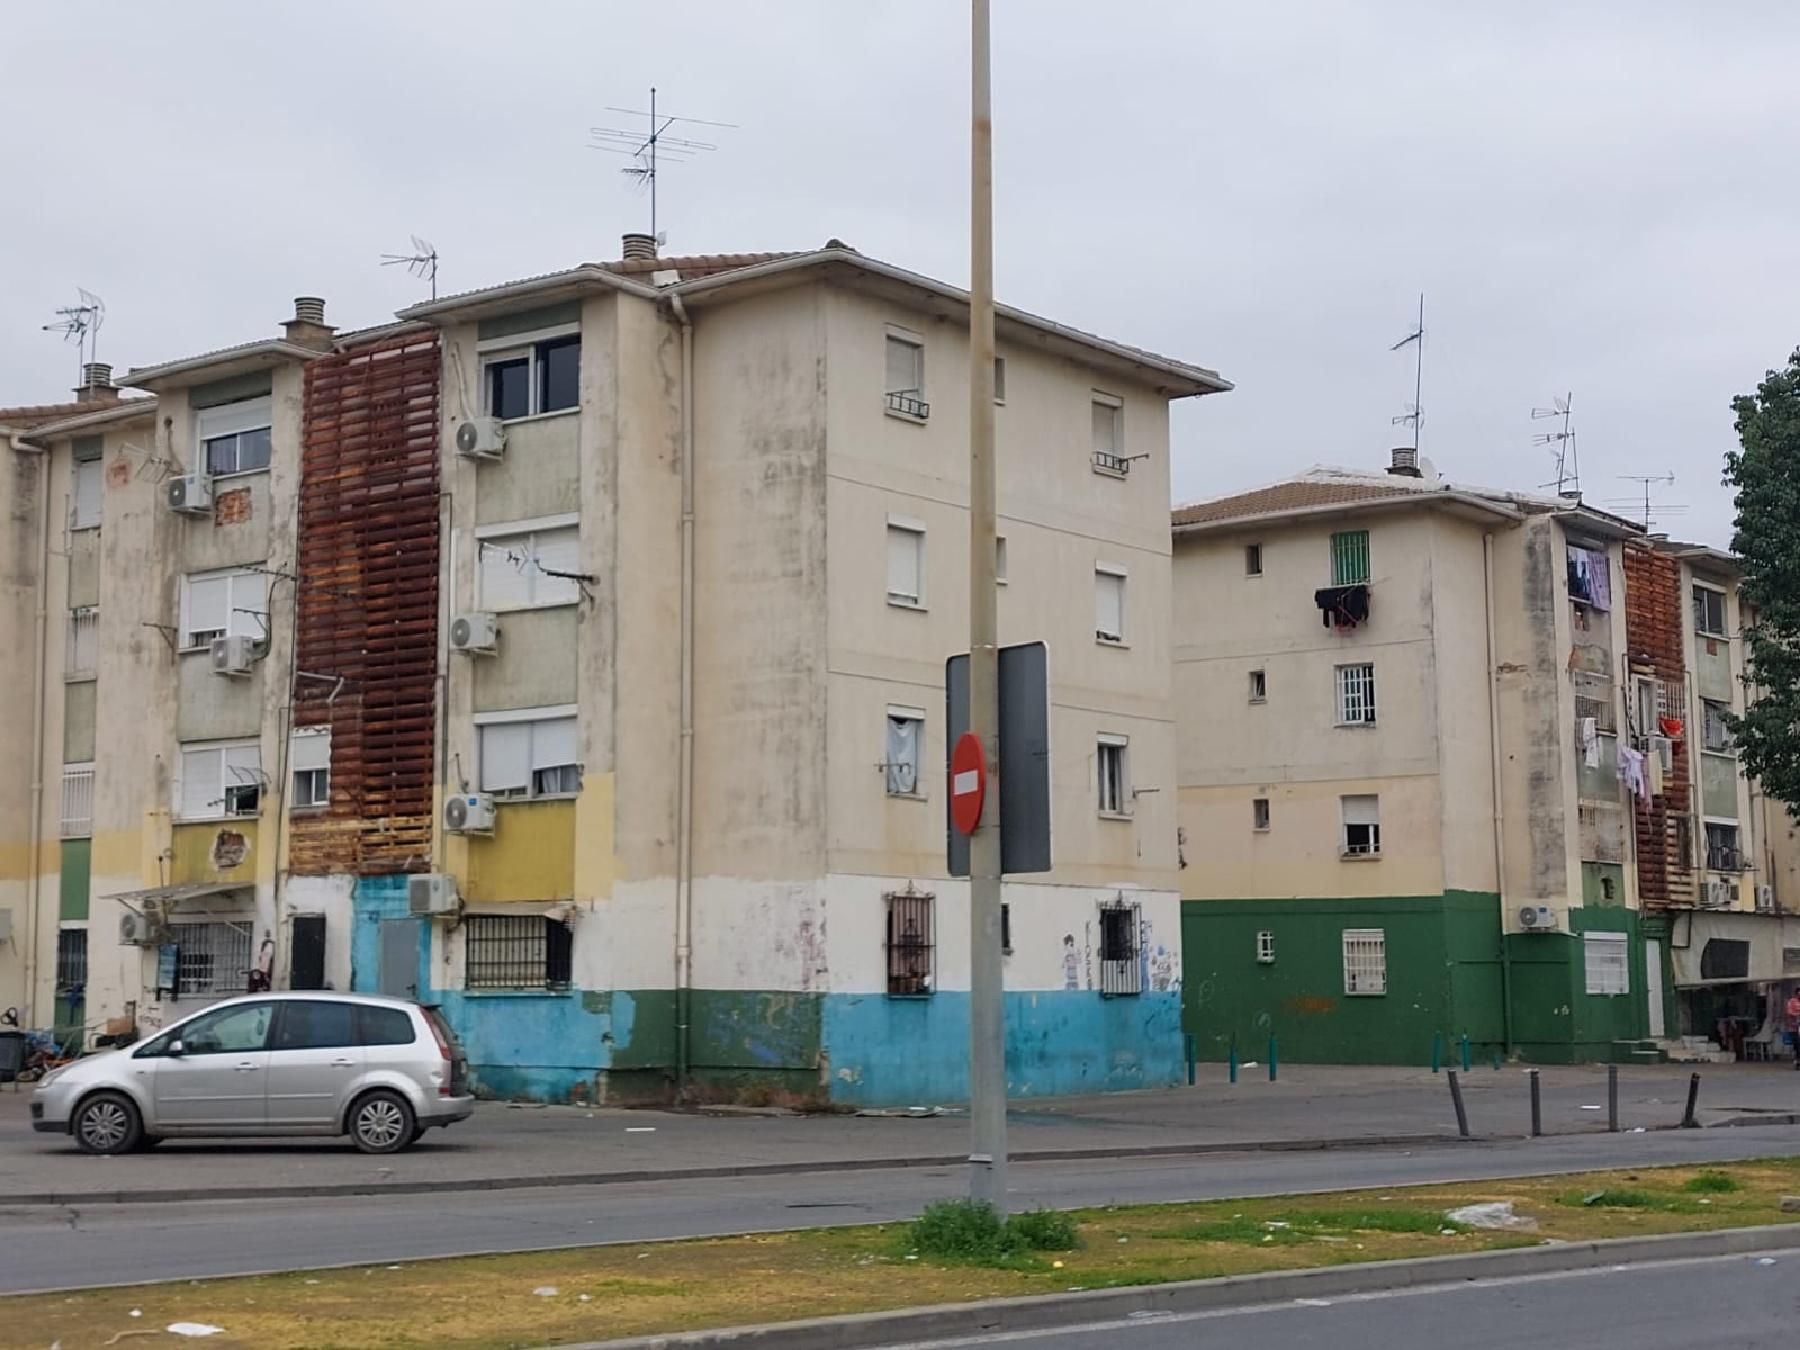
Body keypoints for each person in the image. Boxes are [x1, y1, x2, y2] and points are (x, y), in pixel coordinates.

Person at [1785, 987, 1800, 1069]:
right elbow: (1789, 1012)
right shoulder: (1792, 1001)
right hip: (1794, 1027)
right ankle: (1797, 1061)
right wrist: (1797, 1015)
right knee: (1797, 1044)